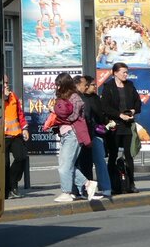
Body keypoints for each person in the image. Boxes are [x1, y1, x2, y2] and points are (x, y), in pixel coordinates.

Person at [99, 62, 141, 193]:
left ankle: (131, 184)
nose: (126, 75)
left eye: (127, 72)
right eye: (123, 72)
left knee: (129, 155)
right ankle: (111, 184)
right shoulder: (108, 87)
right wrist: (119, 115)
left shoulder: (130, 85)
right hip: (115, 125)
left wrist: (133, 111)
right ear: (115, 73)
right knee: (113, 155)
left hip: (128, 125)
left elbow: (138, 102)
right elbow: (105, 107)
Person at [51, 74, 92, 203]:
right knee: (66, 165)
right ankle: (87, 184)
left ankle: (66, 192)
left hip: (72, 134)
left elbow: (73, 117)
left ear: (65, 84)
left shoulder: (75, 98)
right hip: (65, 134)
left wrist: (56, 112)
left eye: (59, 84)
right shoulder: (62, 97)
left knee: (65, 166)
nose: (57, 86)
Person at [79, 75, 112, 200]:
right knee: (85, 163)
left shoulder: (95, 98)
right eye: (93, 84)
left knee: (99, 161)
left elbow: (101, 115)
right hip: (87, 134)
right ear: (86, 86)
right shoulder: (81, 98)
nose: (95, 86)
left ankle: (105, 188)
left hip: (95, 134)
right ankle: (87, 188)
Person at [2, 76, 29, 199]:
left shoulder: (13, 96)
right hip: (1, 137)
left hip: (15, 134)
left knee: (22, 157)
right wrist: (3, 97)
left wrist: (24, 128)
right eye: (4, 83)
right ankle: (7, 190)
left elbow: (20, 114)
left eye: (7, 82)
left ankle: (13, 184)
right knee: (5, 164)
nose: (7, 85)